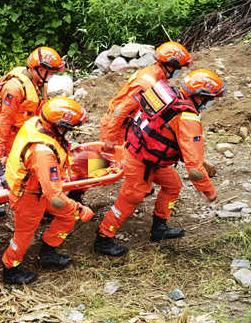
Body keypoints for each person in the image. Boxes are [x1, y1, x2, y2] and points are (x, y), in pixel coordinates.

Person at [95, 69, 224, 256]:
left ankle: (159, 228)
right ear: (200, 97)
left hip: (146, 155)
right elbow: (195, 170)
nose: (211, 102)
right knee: (131, 198)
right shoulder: (188, 119)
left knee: (173, 185)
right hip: (141, 160)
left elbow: (125, 110)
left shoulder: (163, 94)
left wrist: (112, 136)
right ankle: (103, 238)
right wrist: (209, 191)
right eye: (210, 98)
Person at [1, 97, 95, 284]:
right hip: (28, 197)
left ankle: (48, 252)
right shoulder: (43, 153)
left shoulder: (36, 123)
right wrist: (80, 209)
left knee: (66, 218)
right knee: (24, 235)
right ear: (59, 126)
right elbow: (56, 199)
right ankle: (10, 269)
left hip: (37, 189)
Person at [99, 42, 193, 153]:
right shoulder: (147, 84)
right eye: (179, 68)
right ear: (171, 66)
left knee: (121, 165)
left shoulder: (154, 74)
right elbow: (121, 110)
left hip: (123, 125)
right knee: (107, 165)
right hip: (116, 126)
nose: (179, 71)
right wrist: (110, 138)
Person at [0, 46, 65, 164]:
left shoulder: (40, 83)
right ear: (40, 69)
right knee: (20, 166)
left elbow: (41, 110)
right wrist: (0, 150)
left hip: (24, 130)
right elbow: (5, 120)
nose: (52, 75)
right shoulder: (14, 88)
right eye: (51, 72)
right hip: (9, 134)